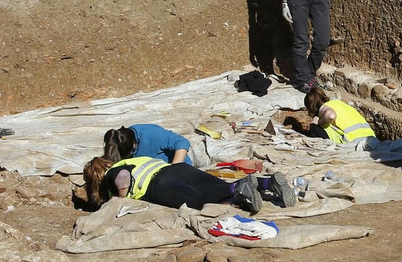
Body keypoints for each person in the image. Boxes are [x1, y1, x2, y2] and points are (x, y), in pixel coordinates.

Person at [82, 156, 296, 214]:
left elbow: (123, 180)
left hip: (158, 184)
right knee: (214, 187)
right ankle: (268, 182)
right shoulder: (130, 160)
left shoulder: (111, 174)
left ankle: (238, 188)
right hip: (177, 169)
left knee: (195, 201)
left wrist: (121, 200)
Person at [303, 87, 377, 146]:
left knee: (314, 128)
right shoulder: (338, 103)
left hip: (353, 141)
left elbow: (331, 115)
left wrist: (318, 122)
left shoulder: (324, 108)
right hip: (372, 139)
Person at [102, 124, 195, 166]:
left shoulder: (151, 133)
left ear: (134, 145)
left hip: (170, 169)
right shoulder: (117, 141)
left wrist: (175, 168)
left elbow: (182, 142)